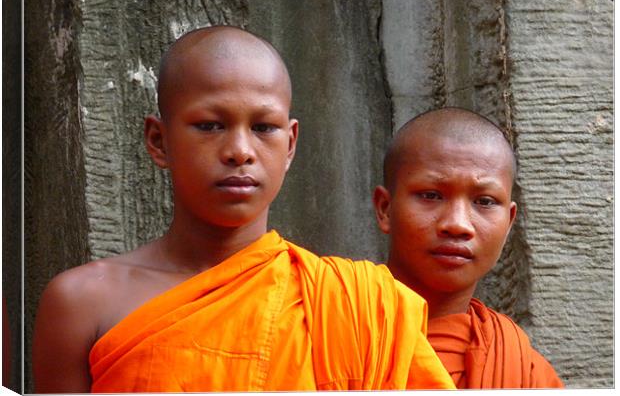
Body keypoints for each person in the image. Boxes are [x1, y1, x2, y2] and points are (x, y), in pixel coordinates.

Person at [32, 26, 455, 393]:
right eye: (210, 125)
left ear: (289, 145)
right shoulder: (82, 303)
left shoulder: (357, 308)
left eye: (263, 128)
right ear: (159, 142)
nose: (239, 151)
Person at [372, 107, 564, 389]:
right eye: (431, 195)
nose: (458, 224)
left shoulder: (525, 374)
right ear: (385, 209)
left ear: (509, 222)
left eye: (484, 201)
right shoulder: (329, 331)